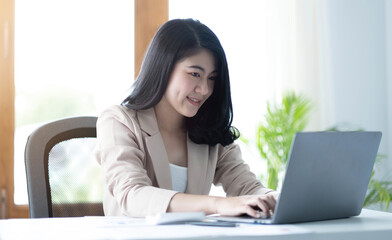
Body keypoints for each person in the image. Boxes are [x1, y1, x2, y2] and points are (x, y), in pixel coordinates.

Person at [95, 18, 278, 218]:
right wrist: (217, 204)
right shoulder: (118, 121)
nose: (205, 89)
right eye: (195, 74)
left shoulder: (208, 127)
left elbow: (246, 185)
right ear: (163, 67)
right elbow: (132, 195)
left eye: (212, 78)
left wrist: (272, 198)